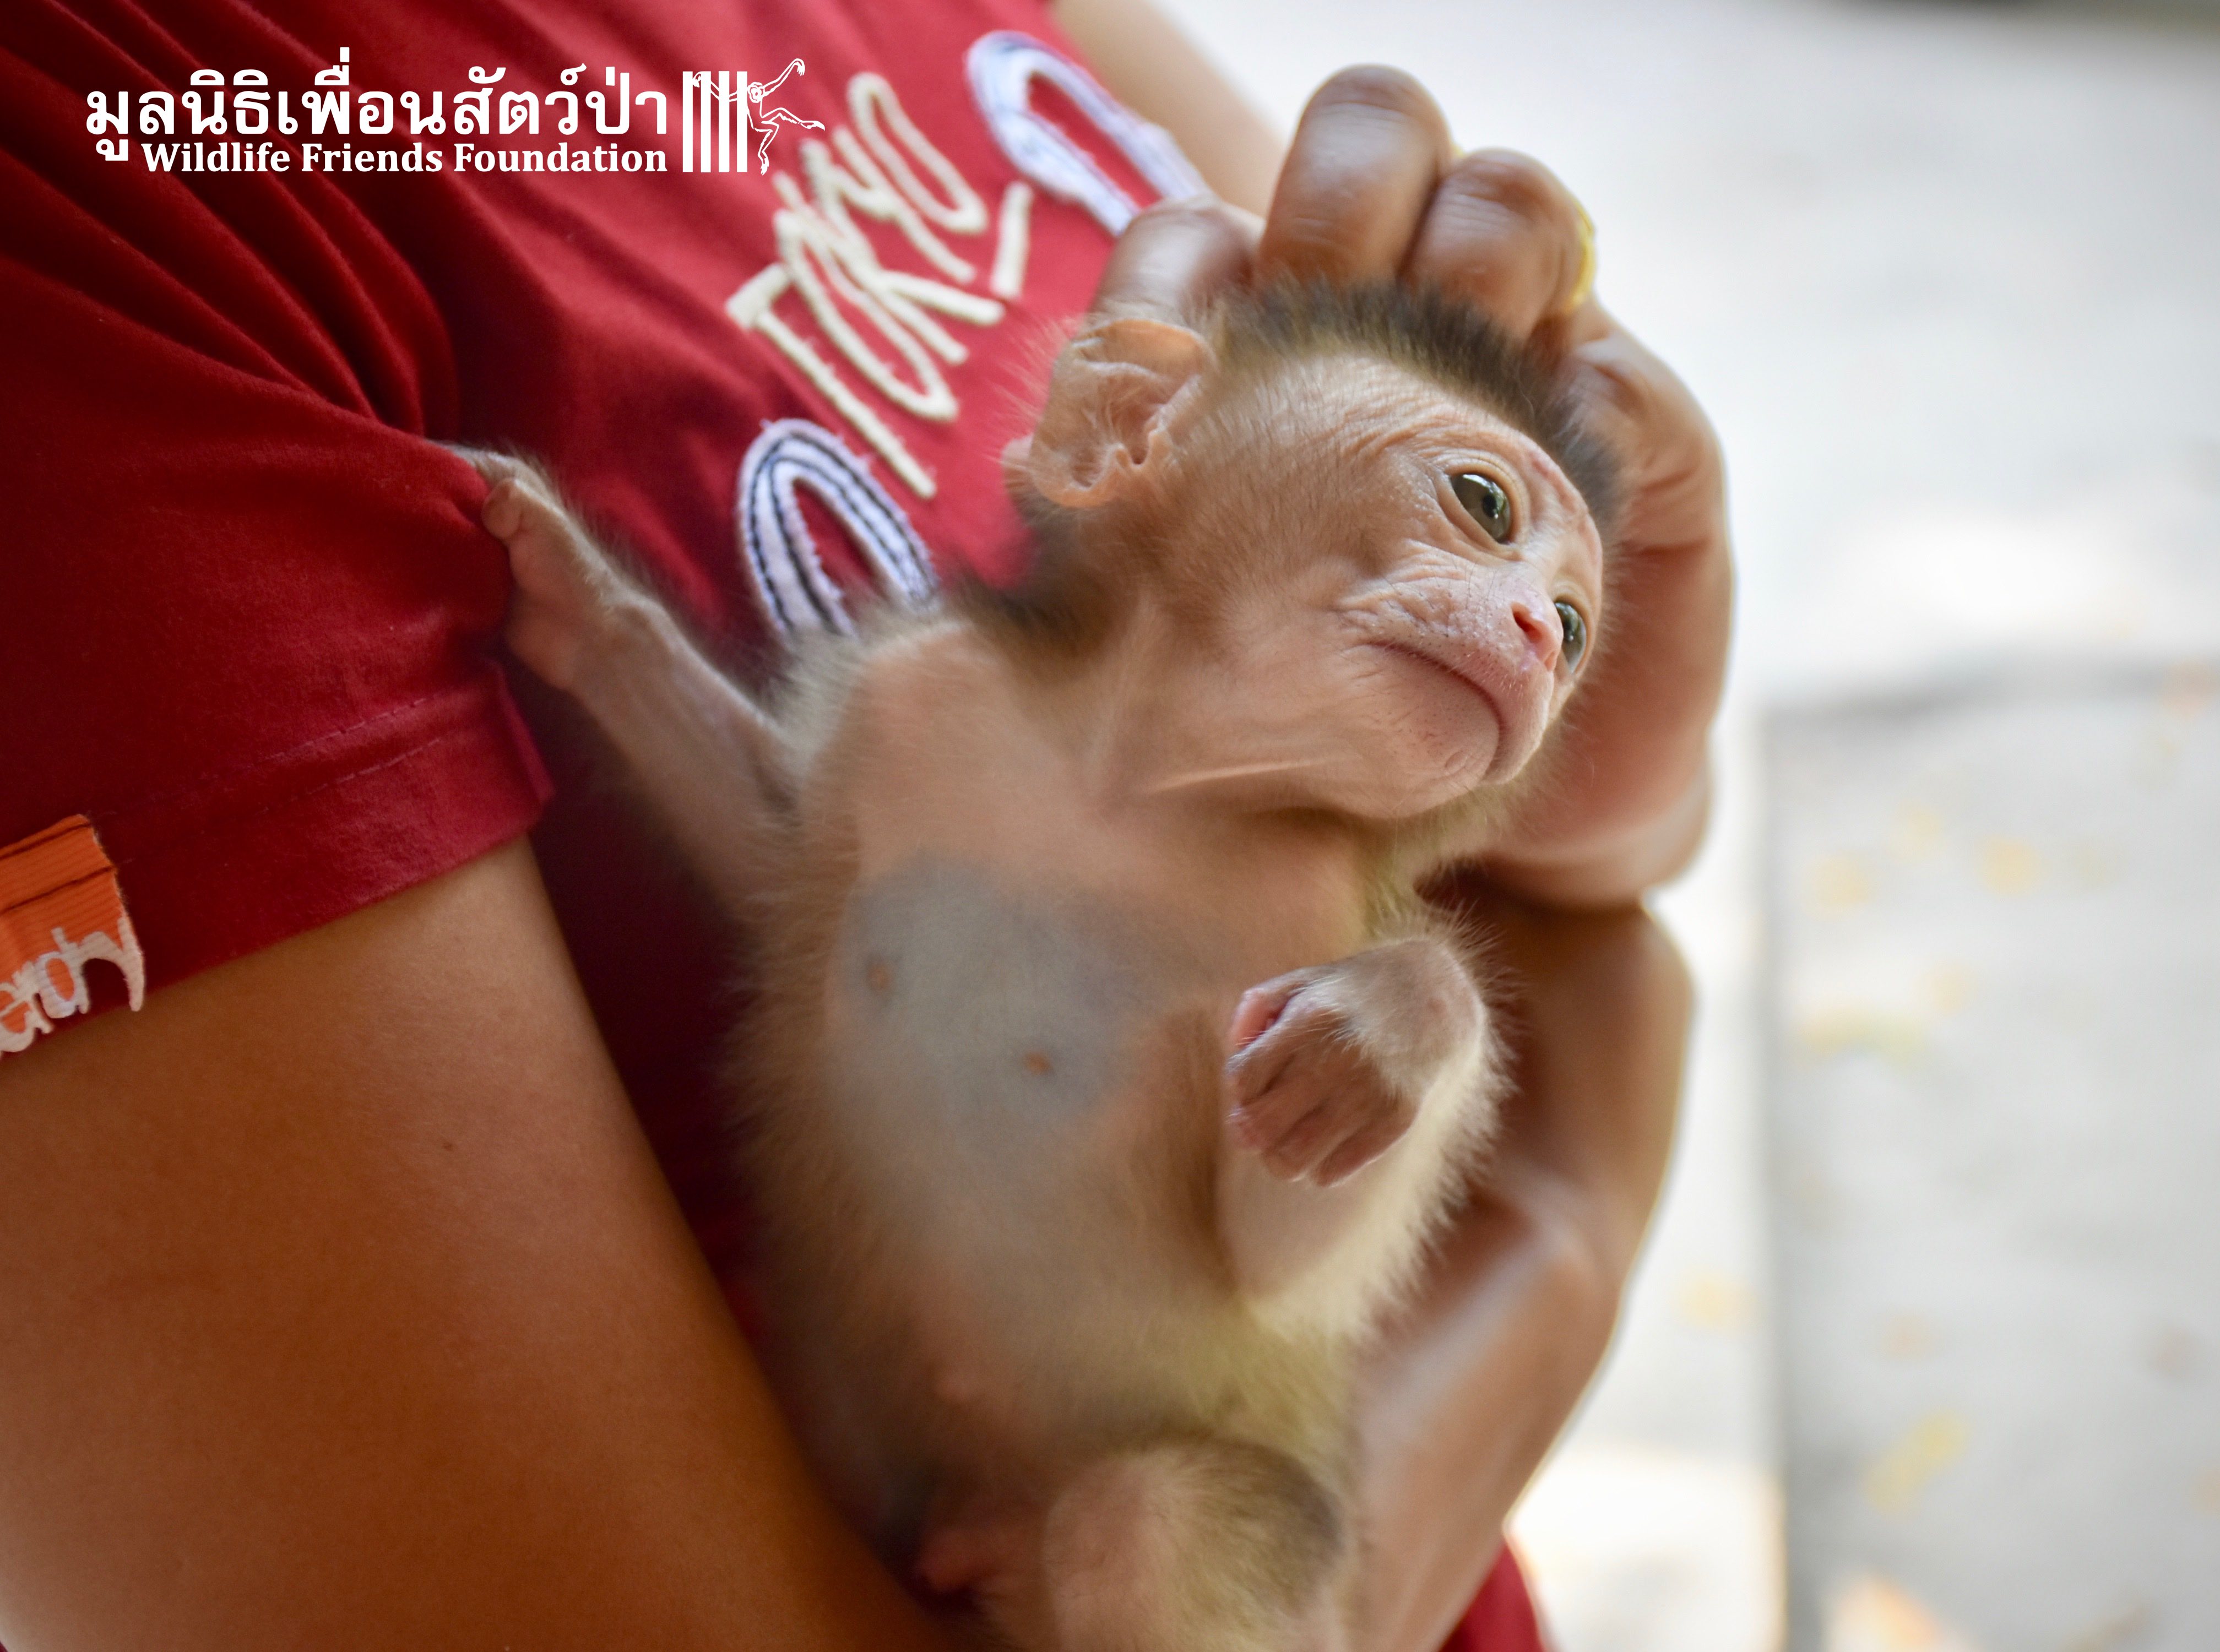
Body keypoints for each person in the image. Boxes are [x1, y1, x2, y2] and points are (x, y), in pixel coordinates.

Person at [0, 0, 1730, 1644]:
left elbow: (1587, 871)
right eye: (1481, 506)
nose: (1533, 629)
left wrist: (1609, 799)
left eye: (1573, 632)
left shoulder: (1291, 854)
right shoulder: (95, 183)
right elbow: (812, 845)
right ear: (1130, 421)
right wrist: (1559, 1225)